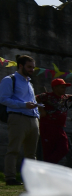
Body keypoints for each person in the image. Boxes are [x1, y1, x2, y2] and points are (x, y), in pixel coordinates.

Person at [1, 55, 40, 185]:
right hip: (18, 117)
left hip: (33, 118)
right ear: (20, 66)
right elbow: (3, 99)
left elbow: (31, 101)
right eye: (29, 67)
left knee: (31, 153)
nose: (32, 70)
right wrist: (24, 105)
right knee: (14, 149)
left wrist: (37, 113)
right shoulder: (9, 80)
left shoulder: (29, 82)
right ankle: (10, 178)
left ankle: (31, 180)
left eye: (33, 67)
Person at [36, 78, 72, 165]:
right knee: (48, 150)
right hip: (48, 127)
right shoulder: (47, 96)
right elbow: (35, 98)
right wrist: (41, 110)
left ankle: (48, 165)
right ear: (55, 88)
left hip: (60, 128)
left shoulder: (65, 98)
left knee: (64, 148)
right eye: (62, 87)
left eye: (65, 87)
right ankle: (47, 168)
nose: (64, 89)